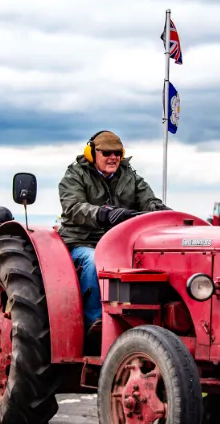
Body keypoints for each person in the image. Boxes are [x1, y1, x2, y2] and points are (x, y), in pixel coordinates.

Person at [58, 130, 168, 332]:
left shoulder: (130, 177)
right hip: (83, 242)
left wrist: (161, 212)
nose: (113, 158)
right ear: (92, 154)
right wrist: (103, 214)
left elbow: (149, 201)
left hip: (120, 244)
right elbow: (73, 207)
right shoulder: (74, 176)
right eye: (106, 153)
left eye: (117, 153)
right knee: (95, 261)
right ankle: (95, 323)